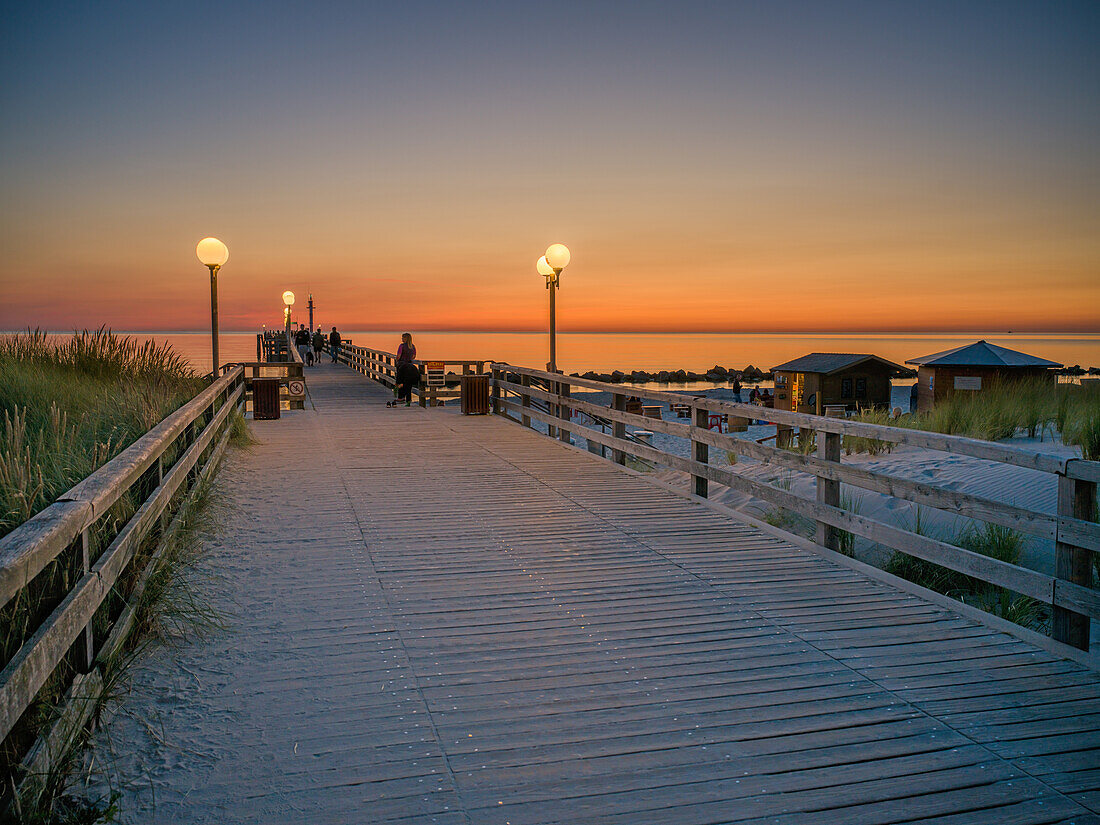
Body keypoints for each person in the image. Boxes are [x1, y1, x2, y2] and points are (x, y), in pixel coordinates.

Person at [389, 332, 418, 407]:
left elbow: (398, 356)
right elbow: (414, 357)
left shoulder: (401, 346)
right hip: (409, 365)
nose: (401, 339)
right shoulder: (413, 346)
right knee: (407, 383)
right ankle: (407, 399)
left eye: (403, 337)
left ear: (406, 338)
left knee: (400, 381)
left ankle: (400, 397)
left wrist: (397, 360)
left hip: (402, 365)